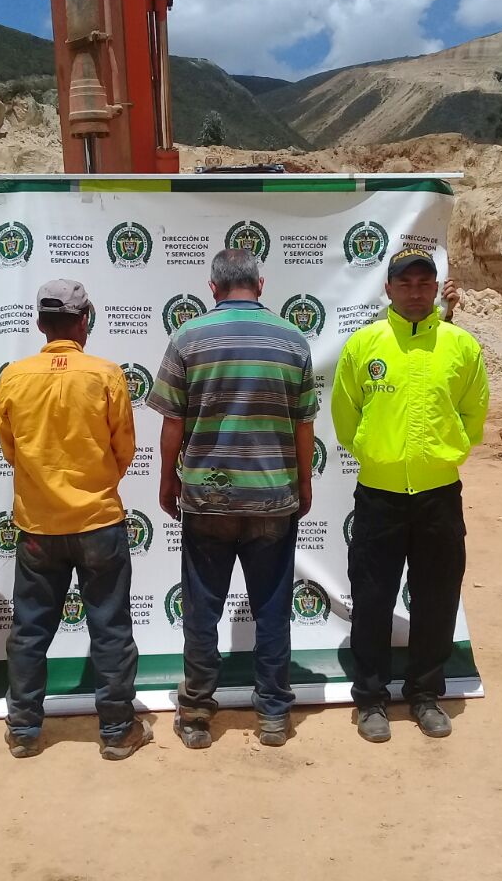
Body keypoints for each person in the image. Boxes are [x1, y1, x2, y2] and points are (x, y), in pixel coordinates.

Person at [149, 248, 317, 750]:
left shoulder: (187, 338)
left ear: (213, 287)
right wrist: (304, 484)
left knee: (202, 610)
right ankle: (271, 715)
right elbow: (304, 426)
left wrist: (166, 480)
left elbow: (172, 423)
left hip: (207, 501)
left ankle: (198, 712)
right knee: (271, 609)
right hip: (272, 499)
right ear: (260, 285)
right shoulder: (293, 339)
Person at [332, 247, 490, 742]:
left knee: (436, 599)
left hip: (438, 495)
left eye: (425, 282)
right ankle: (372, 699)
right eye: (406, 283)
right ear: (388, 289)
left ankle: (424, 694)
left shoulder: (461, 346)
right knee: (373, 599)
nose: (416, 291)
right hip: (379, 496)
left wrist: (449, 450)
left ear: (436, 288)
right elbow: (344, 413)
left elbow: (474, 413)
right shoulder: (365, 345)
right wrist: (371, 449)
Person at [0, 279, 150, 761]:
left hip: (38, 527)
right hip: (99, 522)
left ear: (40, 324)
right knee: (111, 627)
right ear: (85, 321)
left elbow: (10, 448)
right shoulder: (105, 375)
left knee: (30, 631)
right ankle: (118, 730)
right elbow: (124, 448)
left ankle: (22, 730)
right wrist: (96, 483)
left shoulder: (14, 376)